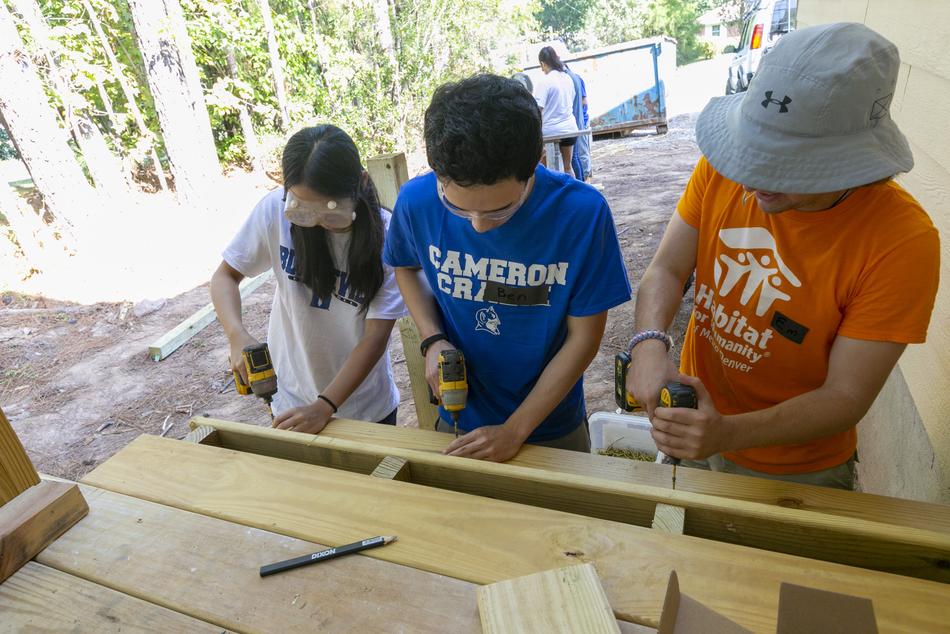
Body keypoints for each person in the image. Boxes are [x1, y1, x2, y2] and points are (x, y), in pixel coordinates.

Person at [625, 23, 940, 490]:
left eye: (782, 168)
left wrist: (729, 433)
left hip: (798, 469)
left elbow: (846, 395)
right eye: (749, 156)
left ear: (849, 161)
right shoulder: (728, 166)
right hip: (694, 422)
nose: (750, 183)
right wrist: (649, 344)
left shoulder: (901, 241)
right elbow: (668, 269)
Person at [384, 74, 631, 462]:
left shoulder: (580, 214)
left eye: (501, 211)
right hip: (457, 412)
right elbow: (407, 266)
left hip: (549, 422)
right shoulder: (417, 201)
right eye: (459, 209)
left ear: (533, 163)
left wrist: (516, 430)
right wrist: (433, 339)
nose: (479, 226)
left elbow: (583, 338)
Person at [210, 125, 408, 434]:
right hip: (290, 397)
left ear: (361, 183)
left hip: (364, 410)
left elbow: (375, 338)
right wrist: (237, 335)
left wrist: (324, 406)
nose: (317, 223)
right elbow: (225, 276)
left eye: (331, 211)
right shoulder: (273, 211)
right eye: (302, 209)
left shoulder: (388, 239)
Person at [535, 46, 578, 179]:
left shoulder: (545, 81)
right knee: (568, 166)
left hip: (550, 131)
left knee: (542, 168)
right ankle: (573, 195)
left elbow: (537, 109)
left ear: (542, 63)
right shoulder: (568, 78)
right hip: (570, 129)